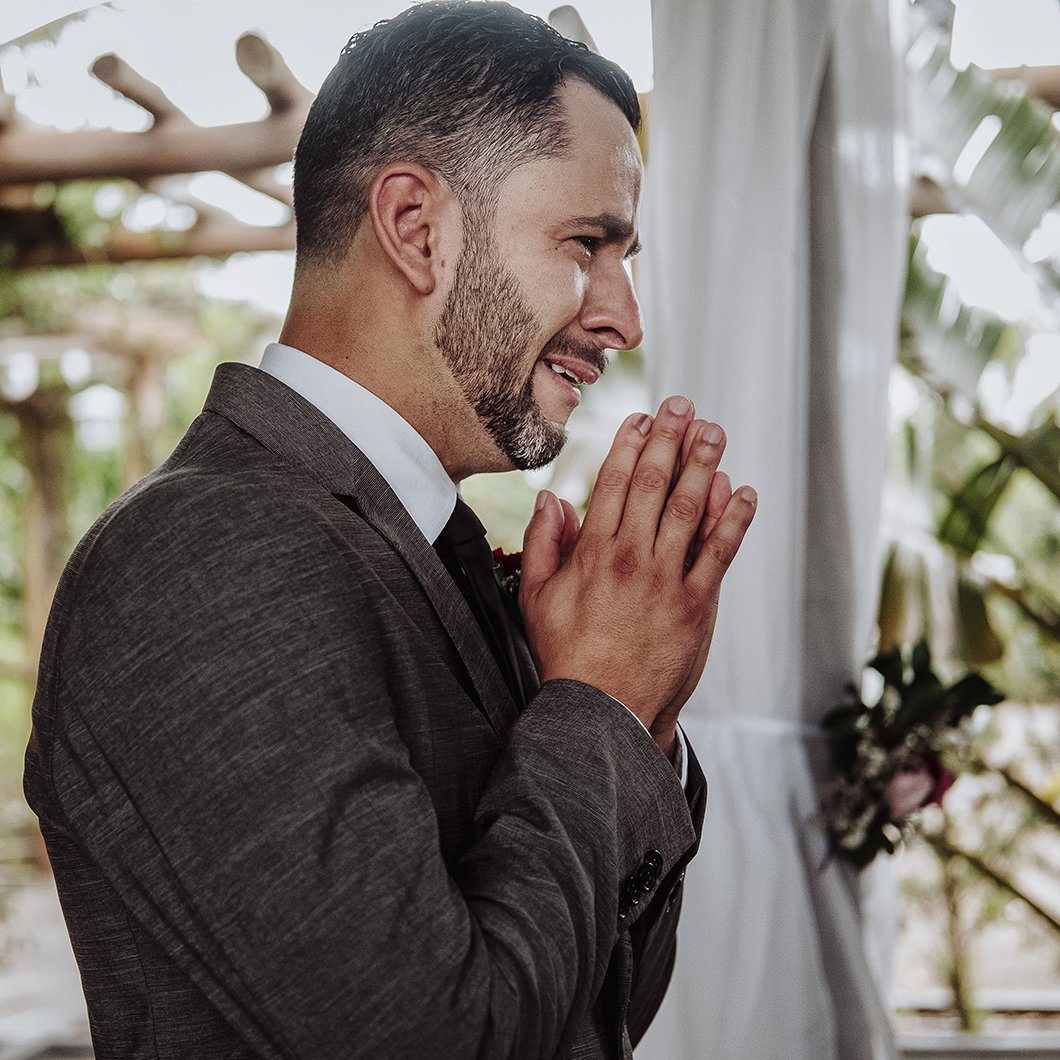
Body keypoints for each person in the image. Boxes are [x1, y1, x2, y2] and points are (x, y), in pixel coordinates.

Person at [24, 3, 756, 1058]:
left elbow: (592, 1009)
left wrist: (635, 715)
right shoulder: (201, 560)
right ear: (417, 228)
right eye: (589, 243)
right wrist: (597, 704)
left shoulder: (424, 546)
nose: (624, 317)